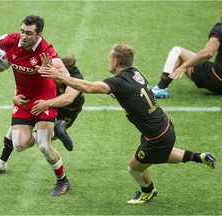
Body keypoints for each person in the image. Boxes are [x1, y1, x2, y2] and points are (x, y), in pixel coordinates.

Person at [38, 44, 217, 204]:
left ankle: (148, 191)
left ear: (115, 61)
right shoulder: (135, 73)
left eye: (110, 58)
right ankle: (199, 157)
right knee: (161, 155)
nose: (109, 61)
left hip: (156, 138)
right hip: (165, 127)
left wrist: (59, 76)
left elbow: (89, 87)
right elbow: (134, 92)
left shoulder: (119, 82)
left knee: (134, 168)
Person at [0, 15, 70, 196]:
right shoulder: (12, 41)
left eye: (29, 33)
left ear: (39, 34)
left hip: (44, 99)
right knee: (19, 145)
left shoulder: (46, 51)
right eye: (22, 31)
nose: (24, 36)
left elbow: (66, 75)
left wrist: (51, 72)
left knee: (44, 146)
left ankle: (63, 181)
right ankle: (54, 131)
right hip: (23, 99)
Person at [16, 55, 85, 151]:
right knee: (47, 132)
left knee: (53, 135)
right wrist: (15, 97)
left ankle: (57, 132)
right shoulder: (43, 72)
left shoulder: (74, 75)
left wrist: (46, 103)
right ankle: (55, 131)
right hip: (54, 105)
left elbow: (69, 98)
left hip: (71, 109)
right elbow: (26, 85)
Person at [151, 15, 222, 98]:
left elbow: (208, 53)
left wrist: (184, 66)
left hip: (217, 79)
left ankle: (161, 87)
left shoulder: (219, 29)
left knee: (177, 51)